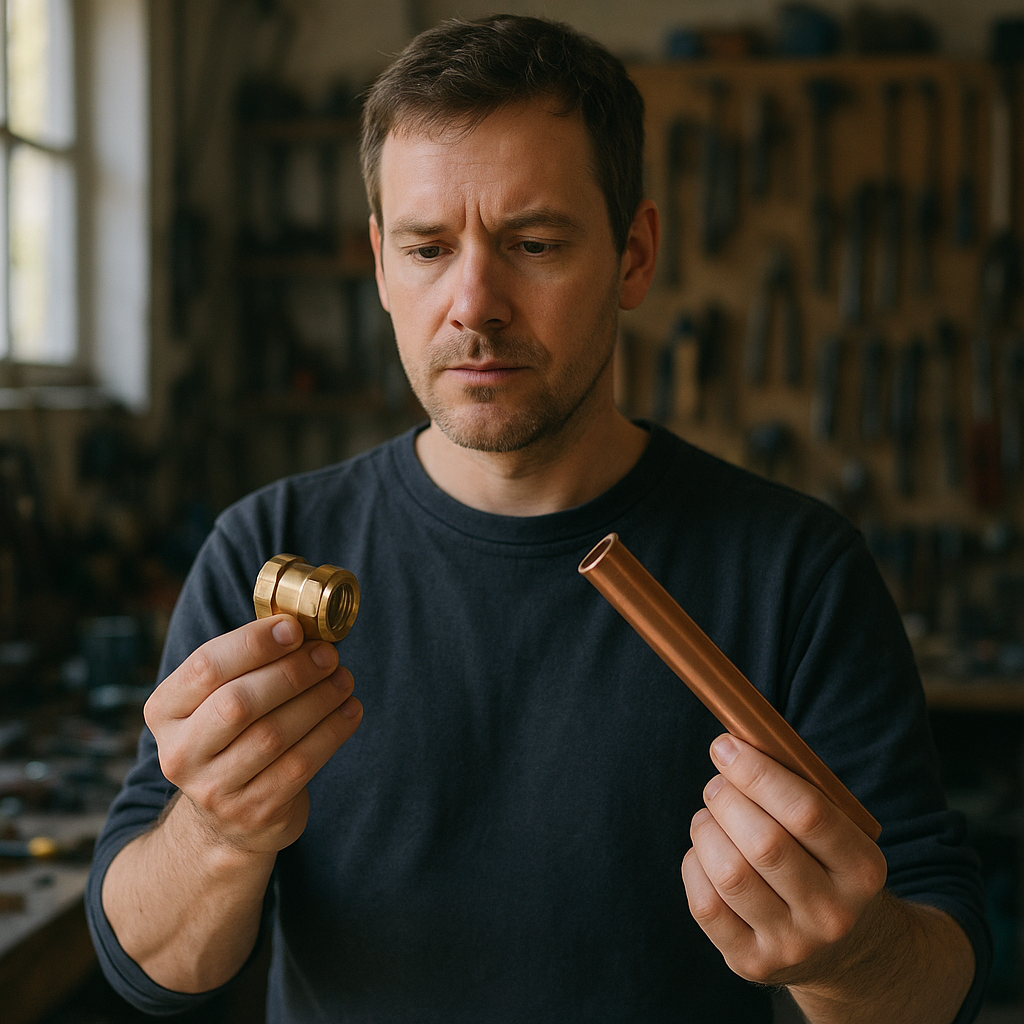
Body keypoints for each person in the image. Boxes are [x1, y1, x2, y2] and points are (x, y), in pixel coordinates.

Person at [87, 14, 989, 1023]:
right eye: (429, 247)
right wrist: (217, 832)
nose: (474, 302)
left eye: (534, 243)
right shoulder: (262, 548)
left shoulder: (798, 570)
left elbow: (936, 973)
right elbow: (154, 968)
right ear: (381, 265)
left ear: (634, 255)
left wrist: (855, 954)